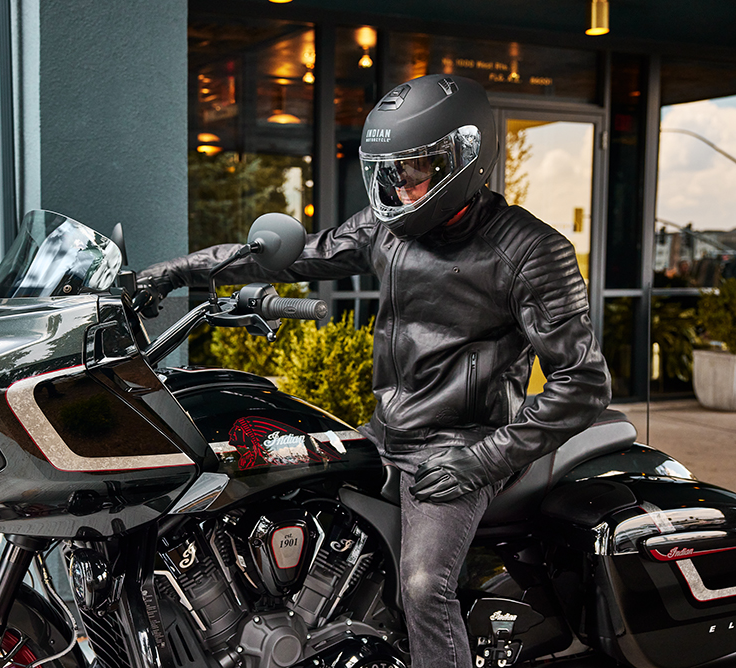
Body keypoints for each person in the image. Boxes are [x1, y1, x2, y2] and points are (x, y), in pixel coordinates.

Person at [137, 74, 611, 668]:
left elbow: (583, 384)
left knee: (424, 586)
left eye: (415, 171)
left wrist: (483, 460)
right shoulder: (387, 228)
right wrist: (171, 273)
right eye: (390, 172)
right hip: (385, 432)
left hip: (461, 445)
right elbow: (296, 256)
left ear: (464, 158)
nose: (400, 187)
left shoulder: (531, 251)